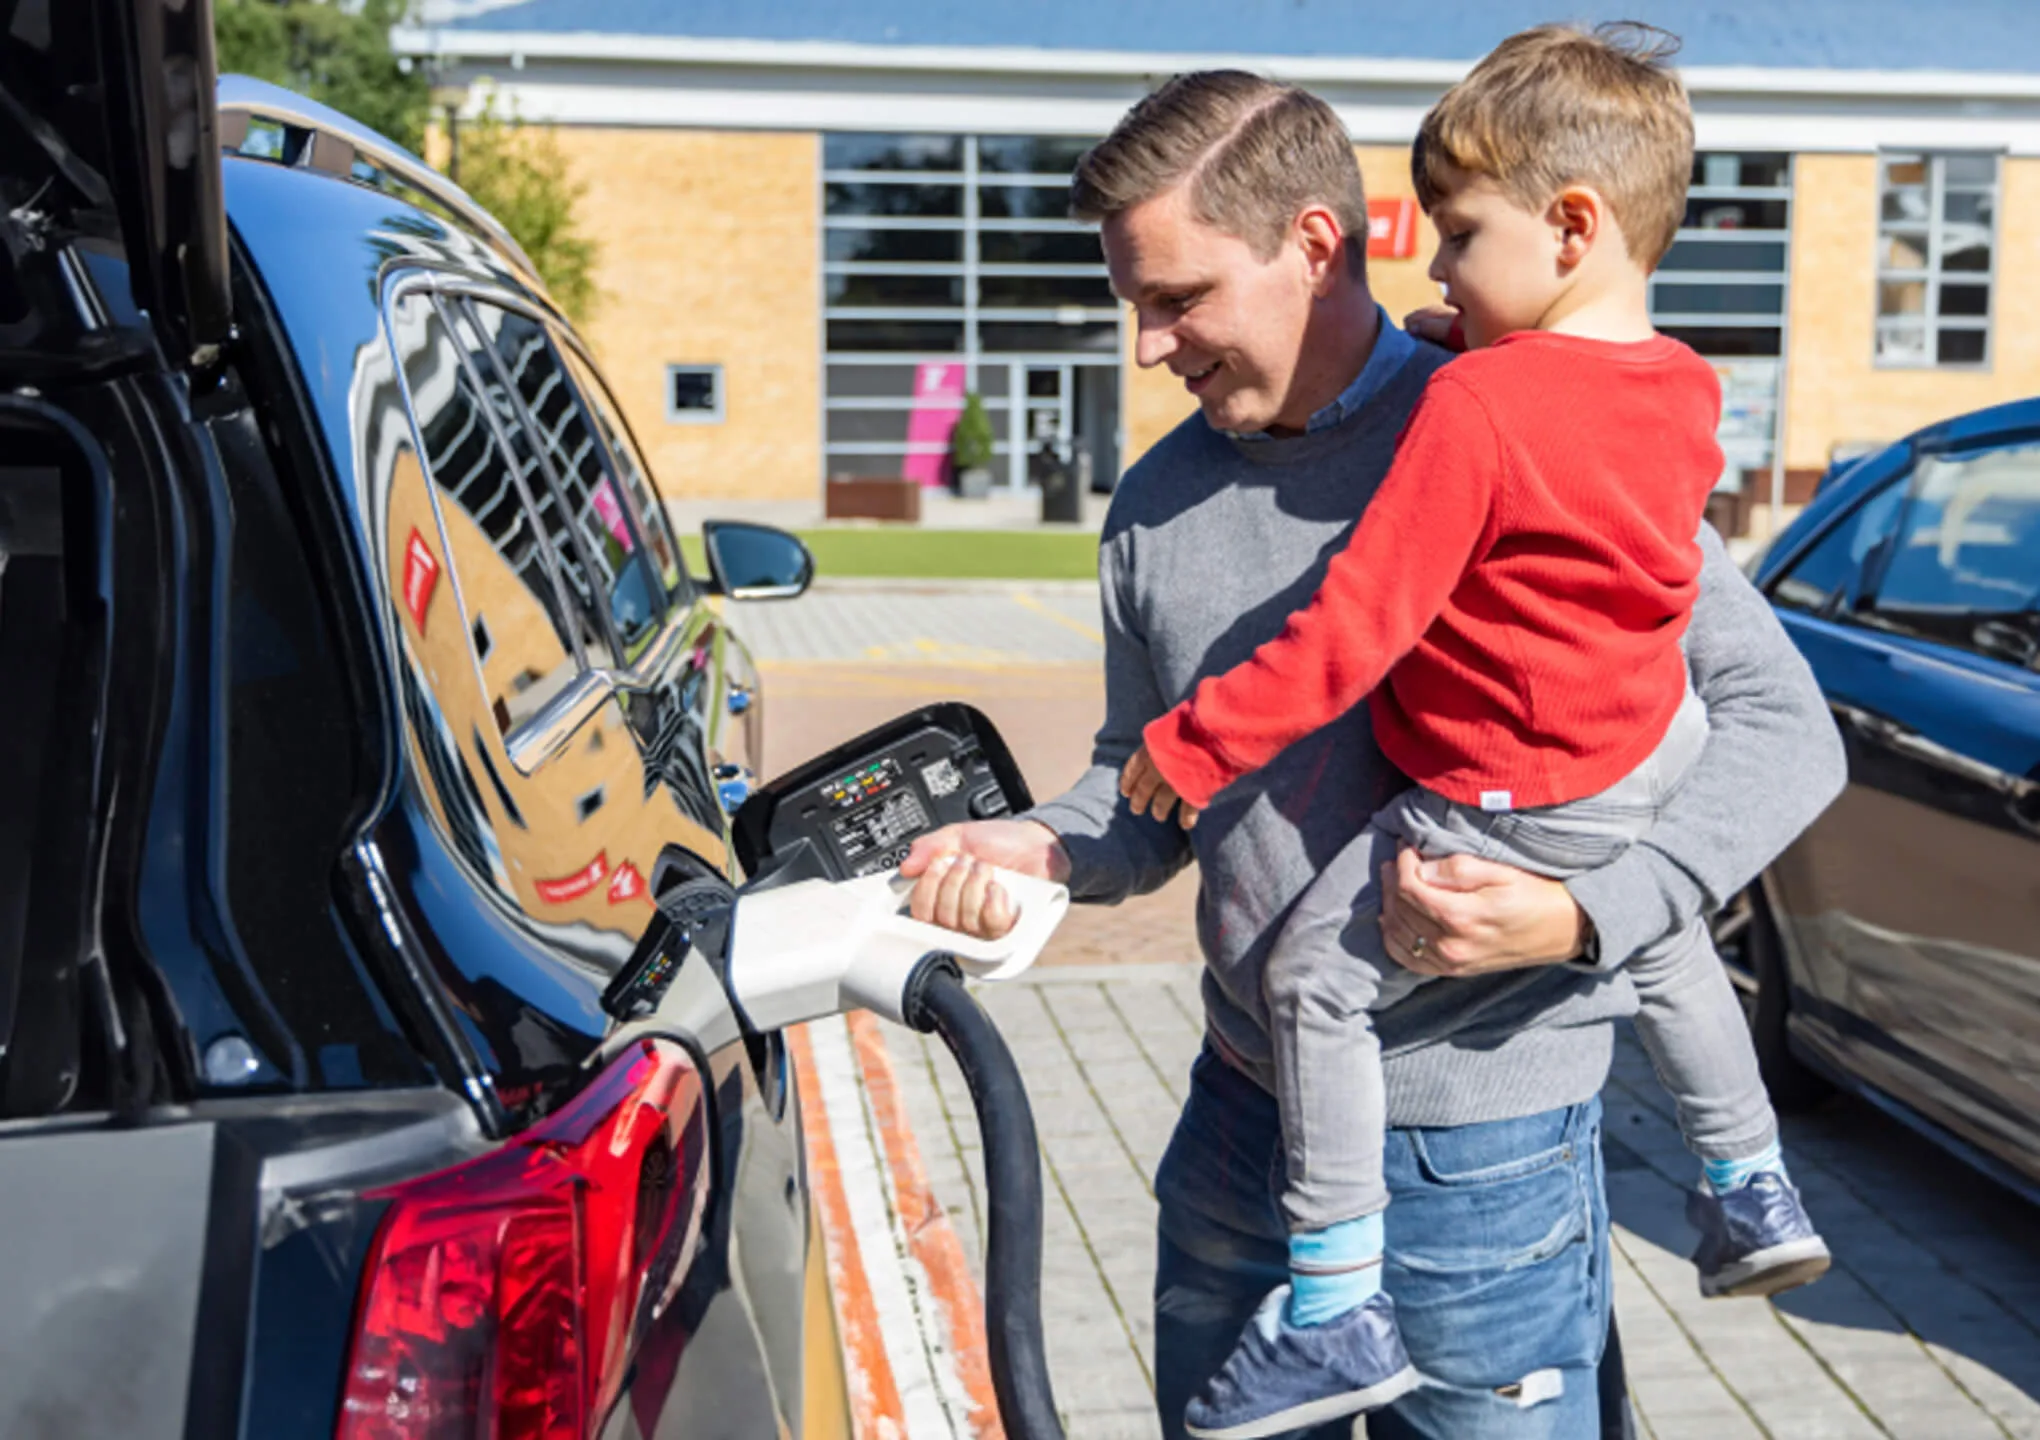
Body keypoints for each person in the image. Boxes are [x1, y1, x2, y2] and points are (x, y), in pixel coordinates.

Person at [901, 62, 1845, 1440]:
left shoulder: (1538, 418)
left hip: (1486, 1163)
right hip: (1242, 1124)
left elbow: (1785, 730)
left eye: (1179, 298)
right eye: (1134, 305)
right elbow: (1146, 790)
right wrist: (1043, 845)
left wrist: (1591, 915)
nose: (1149, 347)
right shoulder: (1156, 508)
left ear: (1313, 243)